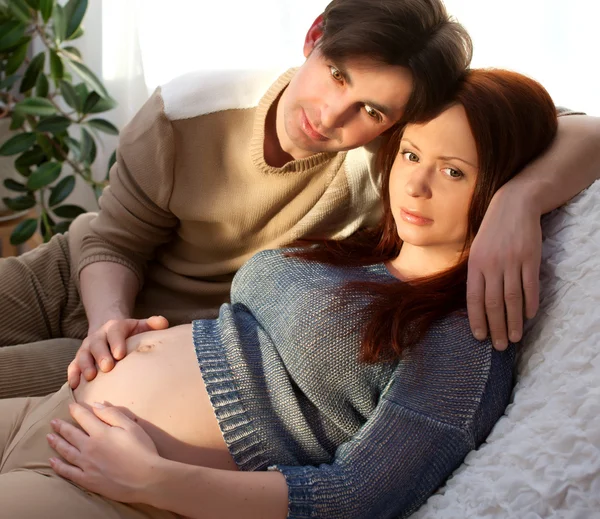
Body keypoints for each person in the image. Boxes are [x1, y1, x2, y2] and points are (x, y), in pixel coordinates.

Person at [0, 68, 559, 519]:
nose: (415, 184)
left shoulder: (466, 339)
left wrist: (156, 481)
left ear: (500, 183)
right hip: (53, 413)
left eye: (455, 172)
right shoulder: (361, 246)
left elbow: (360, 495)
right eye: (411, 155)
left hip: (121, 494)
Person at [0, 0, 598, 400]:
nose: (330, 117)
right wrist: (106, 319)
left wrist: (519, 198)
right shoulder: (184, 111)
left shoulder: (392, 158)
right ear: (314, 36)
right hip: (69, 280)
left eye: (371, 109)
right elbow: (113, 238)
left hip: (159, 345)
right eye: (337, 74)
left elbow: (583, 128)